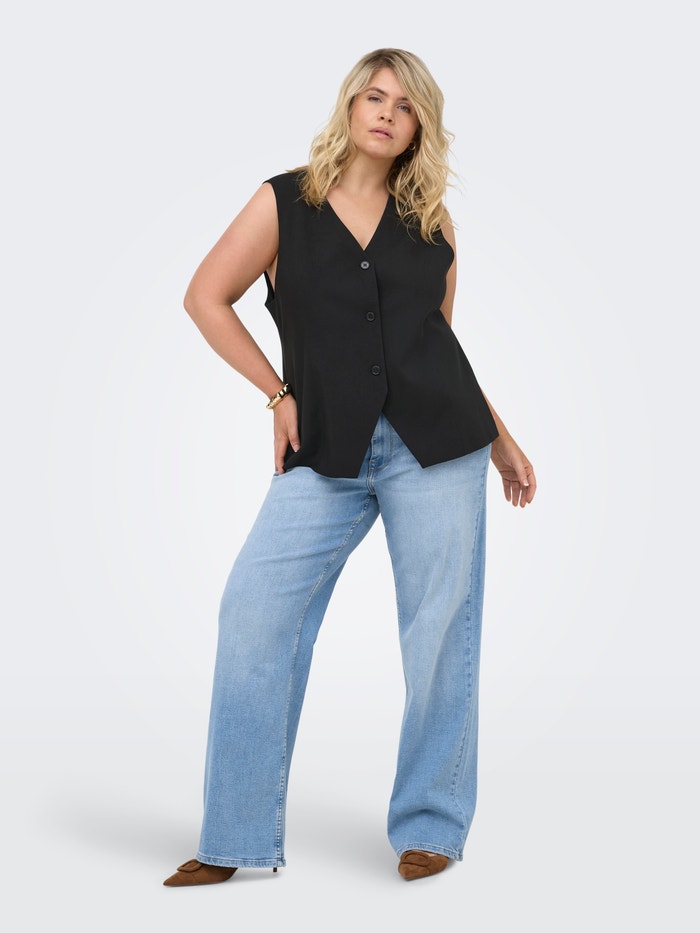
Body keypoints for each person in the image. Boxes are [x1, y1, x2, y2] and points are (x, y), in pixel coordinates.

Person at [163, 47, 536, 887]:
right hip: (325, 446)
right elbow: (204, 296)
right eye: (374, 97)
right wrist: (276, 393)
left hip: (437, 445)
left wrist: (501, 437)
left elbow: (436, 344)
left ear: (418, 128)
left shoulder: (432, 221)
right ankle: (234, 834)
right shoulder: (283, 202)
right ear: (350, 106)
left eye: (405, 106)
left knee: (440, 631)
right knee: (254, 612)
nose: (386, 114)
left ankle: (432, 824)